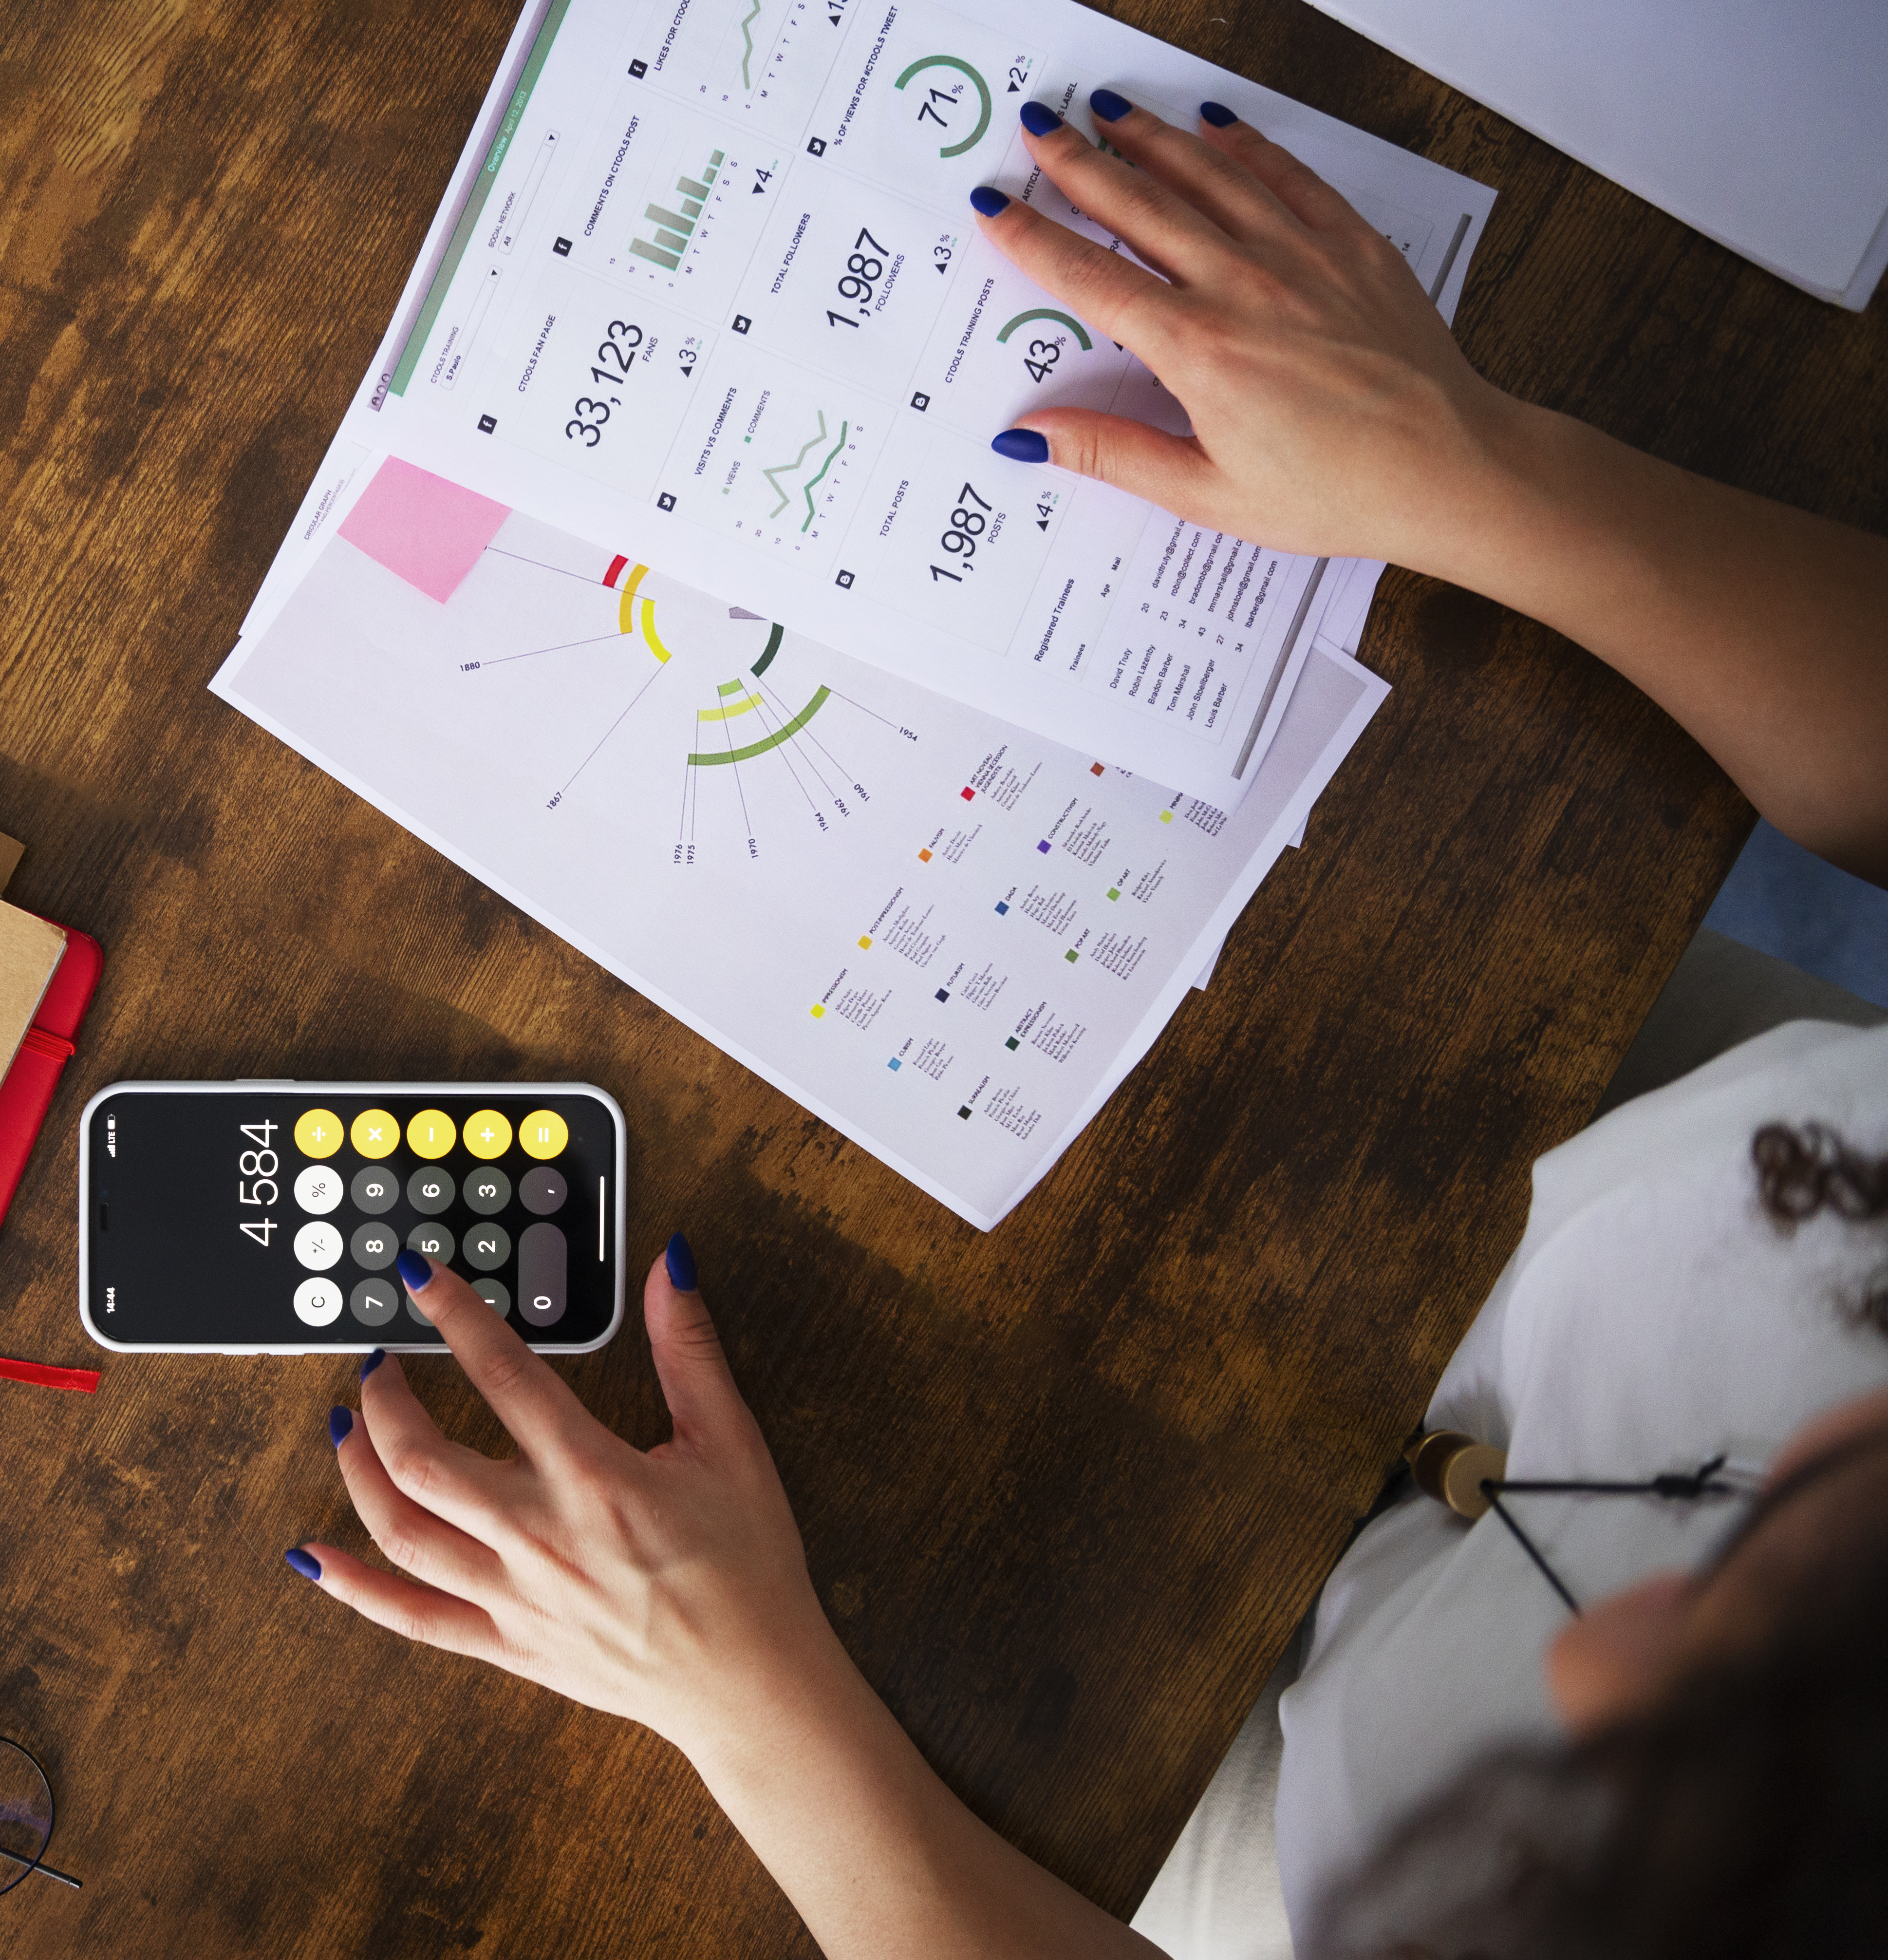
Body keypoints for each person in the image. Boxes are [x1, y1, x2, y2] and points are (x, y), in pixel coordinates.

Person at [280, 91, 1888, 1959]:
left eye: (1714, 1811)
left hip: (1279, 1833)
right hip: (1638, 1110)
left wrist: (745, 1701)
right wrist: (1474, 463)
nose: (1604, 1665)